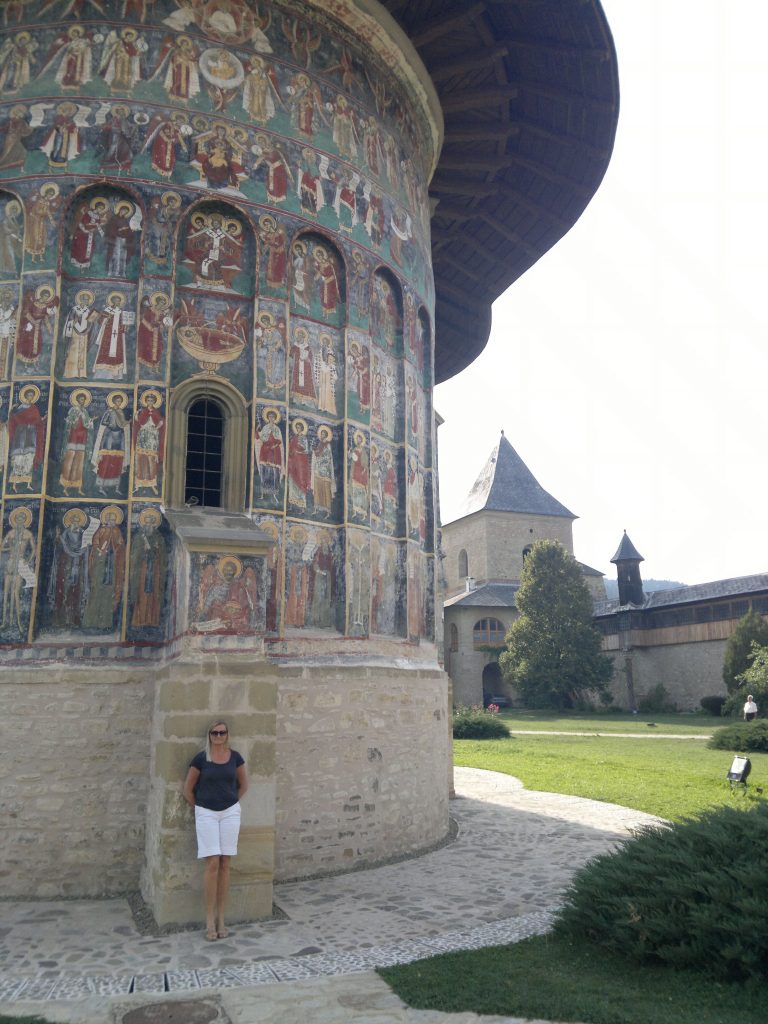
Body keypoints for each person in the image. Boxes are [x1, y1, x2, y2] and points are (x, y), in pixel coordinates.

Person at [182, 720, 248, 941]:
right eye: (215, 733)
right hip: (207, 814)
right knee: (212, 863)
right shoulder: (201, 759)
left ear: (227, 735)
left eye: (222, 732)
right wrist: (202, 808)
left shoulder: (235, 757)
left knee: (226, 863)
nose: (218, 736)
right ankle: (209, 920)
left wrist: (231, 803)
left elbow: (244, 785)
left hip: (230, 813)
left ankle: (221, 919)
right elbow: (188, 790)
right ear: (209, 735)